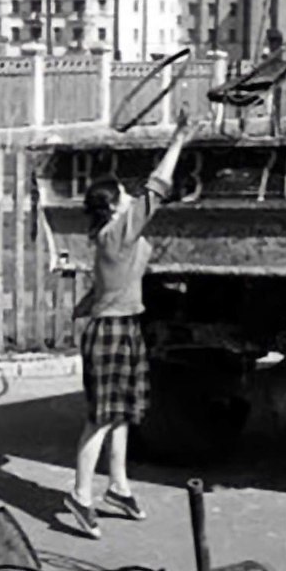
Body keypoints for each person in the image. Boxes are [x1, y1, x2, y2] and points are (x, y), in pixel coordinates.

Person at [63, 110, 193, 539]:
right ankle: (81, 495)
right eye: (123, 192)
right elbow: (158, 188)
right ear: (116, 204)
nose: (130, 193)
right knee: (100, 418)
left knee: (120, 417)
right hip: (112, 332)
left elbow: (107, 286)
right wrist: (178, 139)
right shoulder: (119, 233)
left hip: (121, 326)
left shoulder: (113, 234)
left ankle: (118, 487)